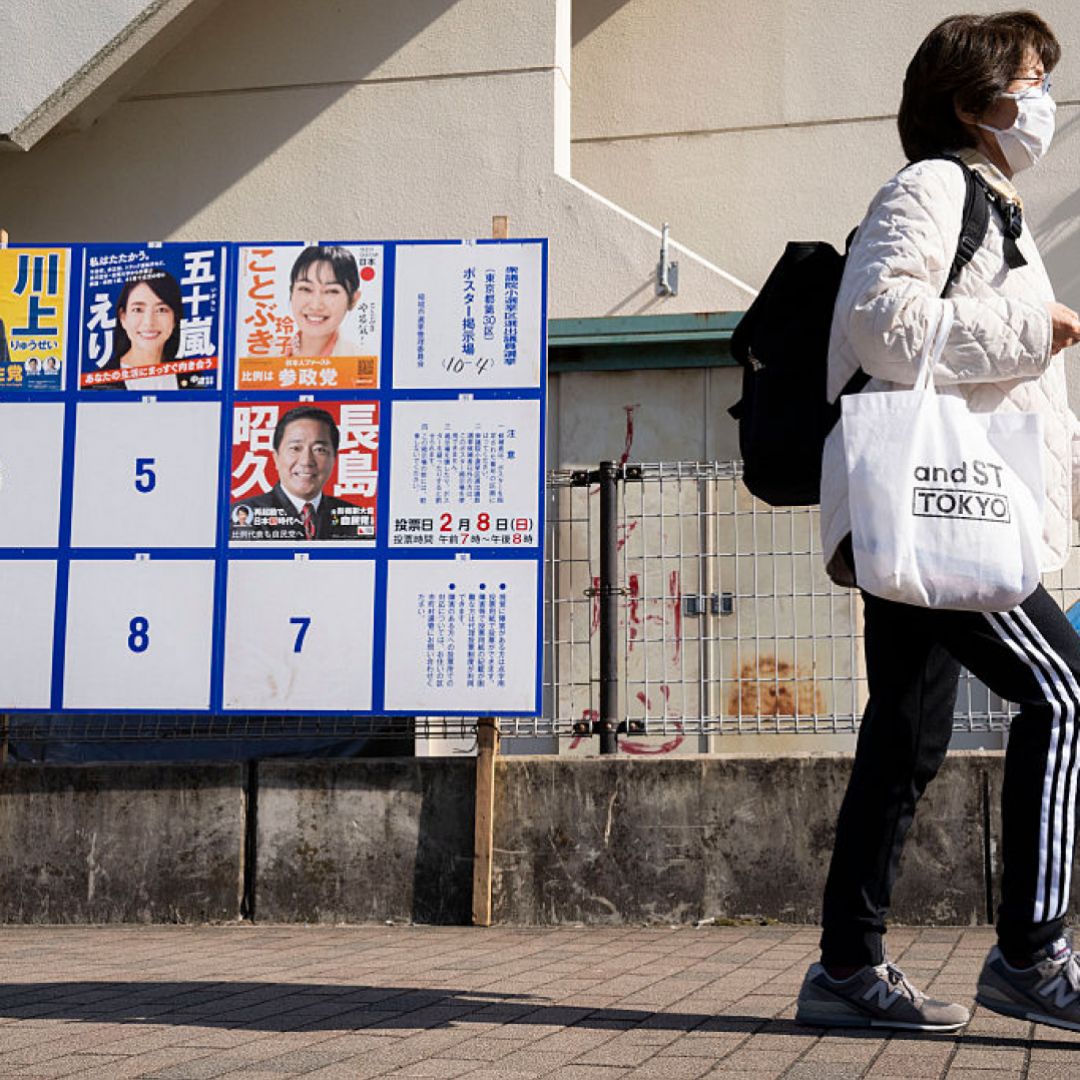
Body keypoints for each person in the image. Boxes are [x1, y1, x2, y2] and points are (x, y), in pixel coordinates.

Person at [796, 11, 1080, 1034]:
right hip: (941, 508)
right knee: (1067, 691)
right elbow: (880, 322)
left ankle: (845, 969)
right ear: (972, 102)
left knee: (905, 742)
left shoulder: (992, 207)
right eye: (1029, 78)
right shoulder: (932, 187)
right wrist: (1028, 329)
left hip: (937, 511)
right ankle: (1035, 952)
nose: (1043, 96)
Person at [230, 406, 363, 540]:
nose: (306, 461)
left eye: (319, 450)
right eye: (295, 448)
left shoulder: (355, 518)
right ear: (276, 457)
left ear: (334, 458)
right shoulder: (243, 515)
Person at [285, 246, 362, 358]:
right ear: (292, 293)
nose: (315, 306)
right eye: (306, 289)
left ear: (353, 300)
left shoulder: (362, 360)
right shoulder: (261, 356)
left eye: (331, 291)